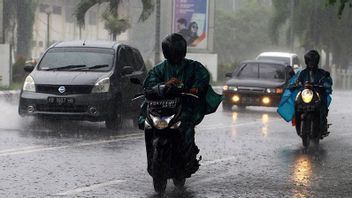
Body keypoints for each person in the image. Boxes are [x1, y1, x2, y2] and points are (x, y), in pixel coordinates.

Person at [139, 33, 222, 176]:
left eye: (176, 51)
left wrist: (196, 87)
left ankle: (188, 158)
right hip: (161, 107)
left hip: (184, 106)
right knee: (147, 121)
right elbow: (150, 83)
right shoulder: (159, 69)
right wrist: (165, 85)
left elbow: (202, 77)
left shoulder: (193, 67)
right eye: (171, 51)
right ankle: (152, 160)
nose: (174, 54)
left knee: (186, 125)